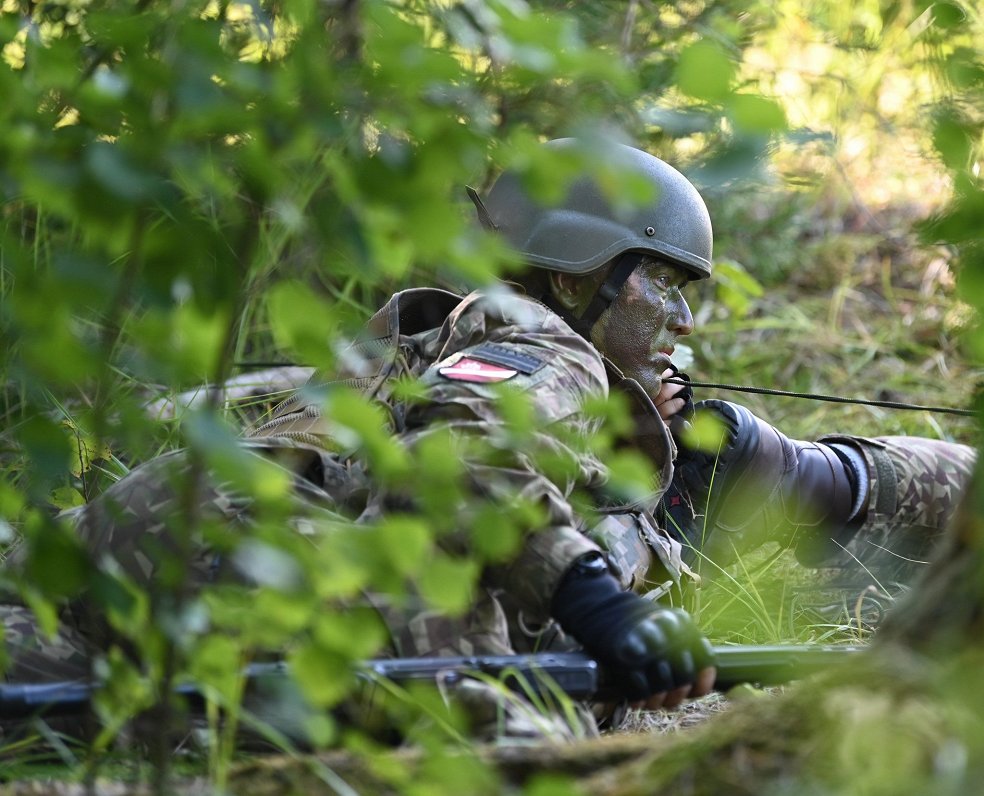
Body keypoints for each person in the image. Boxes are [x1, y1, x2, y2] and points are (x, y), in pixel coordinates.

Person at [2, 138, 974, 742]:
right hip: (215, 609)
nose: (684, 320)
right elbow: (456, 459)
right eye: (666, 285)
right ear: (574, 278)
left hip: (107, 634)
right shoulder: (536, 341)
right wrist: (600, 605)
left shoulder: (504, 399)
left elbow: (869, 480)